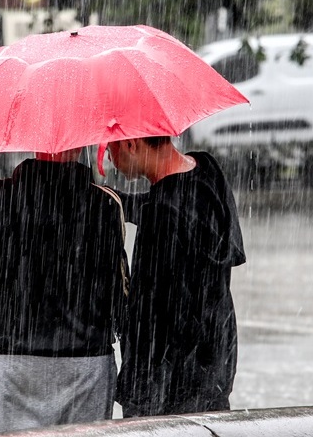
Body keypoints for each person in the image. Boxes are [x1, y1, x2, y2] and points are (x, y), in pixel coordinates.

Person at [0, 148, 128, 432]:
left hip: (19, 363)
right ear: (79, 145)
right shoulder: (105, 204)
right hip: (87, 364)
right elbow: (121, 303)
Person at [106, 136, 245, 417]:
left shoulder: (161, 216)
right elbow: (176, 203)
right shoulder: (207, 171)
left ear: (132, 144)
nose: (109, 159)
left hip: (168, 392)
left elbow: (151, 319)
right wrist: (120, 201)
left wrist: (137, 397)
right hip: (214, 367)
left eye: (110, 148)